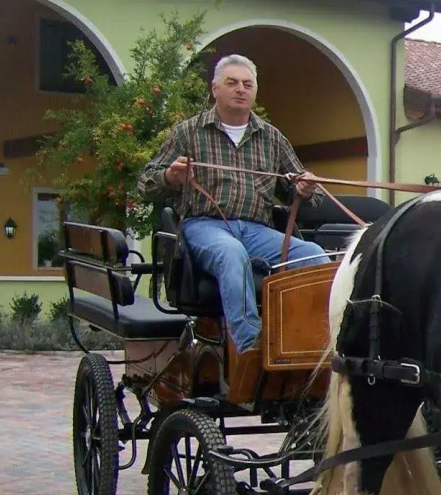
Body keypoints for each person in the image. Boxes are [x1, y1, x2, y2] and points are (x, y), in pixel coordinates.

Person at [138, 54, 330, 353]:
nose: (241, 89)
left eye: (247, 83)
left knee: (314, 256)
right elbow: (145, 184)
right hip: (204, 226)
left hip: (257, 230)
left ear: (254, 91)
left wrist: (304, 187)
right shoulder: (187, 132)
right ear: (215, 89)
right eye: (232, 83)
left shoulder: (273, 138)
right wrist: (170, 176)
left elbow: (303, 194)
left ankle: (313, 341)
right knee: (232, 253)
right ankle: (250, 346)